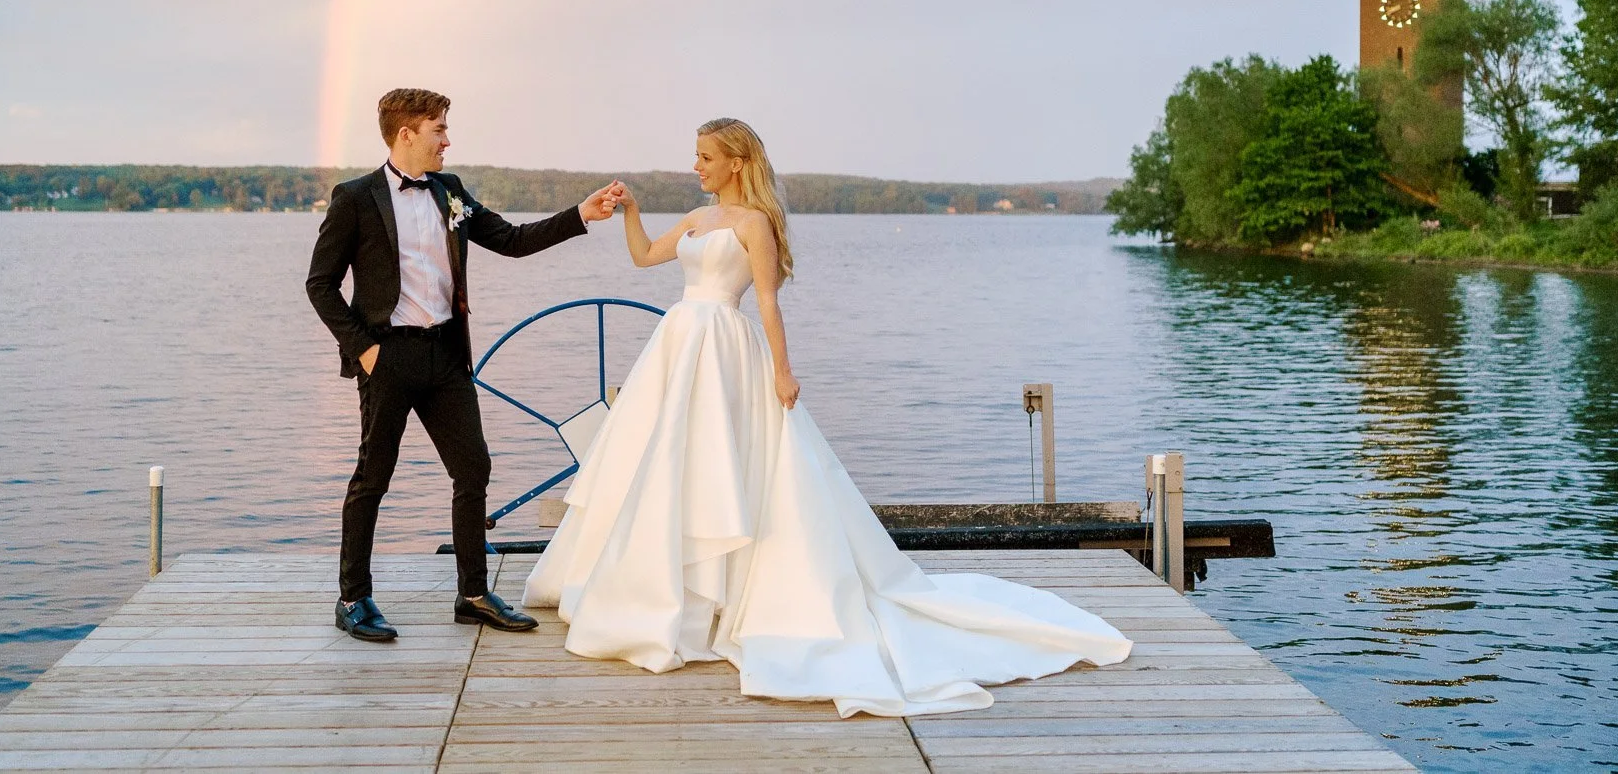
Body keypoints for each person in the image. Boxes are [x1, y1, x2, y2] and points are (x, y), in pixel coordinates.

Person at [525, 117, 1132, 717]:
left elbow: (766, 301)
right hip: (678, 344)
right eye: (695, 156)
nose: (696, 165)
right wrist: (630, 212)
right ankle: (661, 591)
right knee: (663, 464)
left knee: (718, 463)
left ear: (735, 161)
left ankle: (712, 599)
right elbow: (644, 258)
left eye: (705, 156)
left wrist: (782, 372)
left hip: (725, 350)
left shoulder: (755, 224)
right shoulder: (696, 219)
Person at [306, 87, 623, 642]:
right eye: (438, 131)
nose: (447, 141)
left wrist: (581, 214)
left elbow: (511, 239)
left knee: (472, 468)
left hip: (447, 356)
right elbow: (320, 285)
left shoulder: (449, 191)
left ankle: (472, 594)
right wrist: (365, 350)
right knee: (372, 478)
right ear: (406, 134)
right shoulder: (354, 197)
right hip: (388, 358)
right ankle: (353, 597)